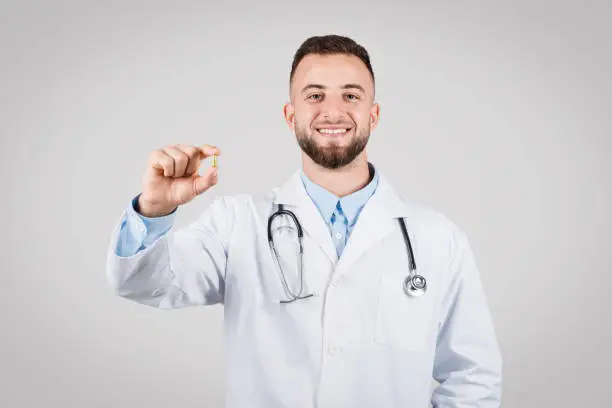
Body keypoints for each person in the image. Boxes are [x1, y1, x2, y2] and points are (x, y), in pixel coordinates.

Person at [106, 34, 502, 408]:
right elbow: (145, 283)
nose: (333, 111)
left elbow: (472, 378)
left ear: (373, 114)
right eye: (315, 96)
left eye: (351, 95)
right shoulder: (236, 224)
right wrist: (153, 211)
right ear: (290, 114)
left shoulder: (436, 238)